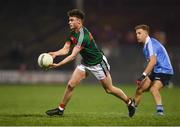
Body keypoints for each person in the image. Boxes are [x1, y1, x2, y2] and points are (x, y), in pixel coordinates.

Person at [45, 9, 135, 117]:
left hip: (98, 63)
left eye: (71, 20)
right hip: (86, 63)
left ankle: (129, 102)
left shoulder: (83, 36)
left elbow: (73, 56)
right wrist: (55, 54)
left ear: (79, 22)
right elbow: (66, 49)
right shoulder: (73, 33)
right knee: (70, 85)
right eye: (69, 20)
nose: (69, 22)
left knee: (109, 89)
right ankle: (60, 109)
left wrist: (58, 65)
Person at [134, 24, 174, 116]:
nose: (137, 35)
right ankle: (133, 109)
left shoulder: (151, 44)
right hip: (157, 71)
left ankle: (160, 112)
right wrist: (146, 77)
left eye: (139, 33)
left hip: (165, 71)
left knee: (153, 89)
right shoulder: (146, 46)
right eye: (136, 34)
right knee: (139, 89)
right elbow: (153, 64)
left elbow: (152, 62)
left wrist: (143, 76)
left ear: (146, 33)